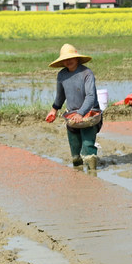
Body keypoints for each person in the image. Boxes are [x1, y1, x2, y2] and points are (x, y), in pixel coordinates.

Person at [44, 43, 102, 171]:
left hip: (90, 114)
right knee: (75, 155)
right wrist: (53, 110)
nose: (68, 61)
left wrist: (81, 113)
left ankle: (92, 175)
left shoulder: (86, 73)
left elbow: (91, 96)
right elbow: (60, 96)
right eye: (65, 59)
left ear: (76, 58)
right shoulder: (62, 75)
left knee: (88, 148)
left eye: (70, 58)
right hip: (72, 116)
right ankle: (78, 177)